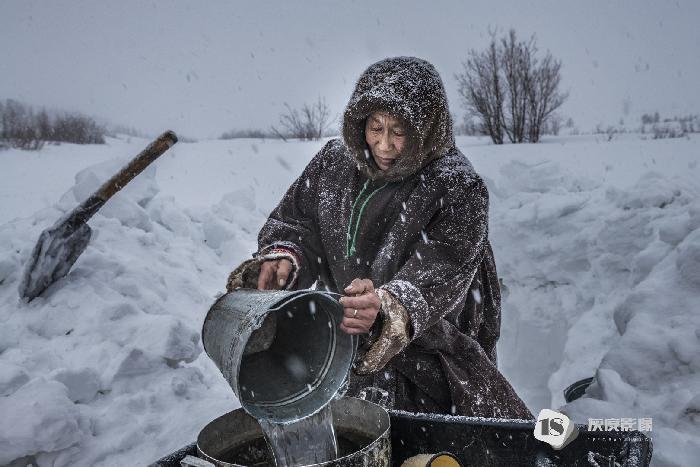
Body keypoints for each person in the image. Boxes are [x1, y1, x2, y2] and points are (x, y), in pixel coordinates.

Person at [227, 57, 532, 419]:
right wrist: (285, 258)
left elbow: (440, 269)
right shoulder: (334, 164)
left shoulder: (457, 187)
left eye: (399, 132)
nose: (384, 146)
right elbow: (298, 224)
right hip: (346, 344)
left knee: (437, 442)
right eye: (375, 127)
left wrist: (389, 306)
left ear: (426, 130)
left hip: (431, 359)